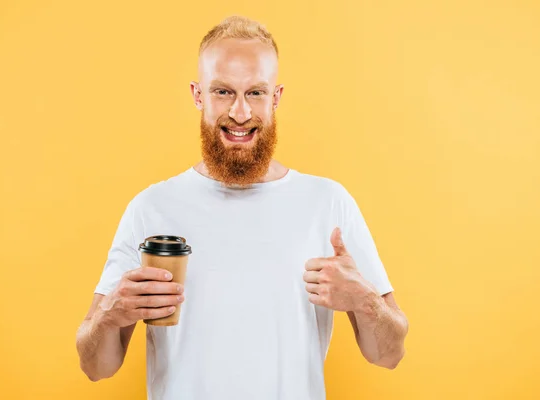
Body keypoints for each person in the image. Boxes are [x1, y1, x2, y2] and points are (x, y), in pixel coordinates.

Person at [76, 15, 409, 400]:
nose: (239, 113)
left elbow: (389, 354)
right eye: (222, 92)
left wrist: (365, 301)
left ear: (276, 98)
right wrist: (110, 314)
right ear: (198, 95)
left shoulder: (328, 204)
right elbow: (95, 366)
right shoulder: (151, 209)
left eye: (255, 93)